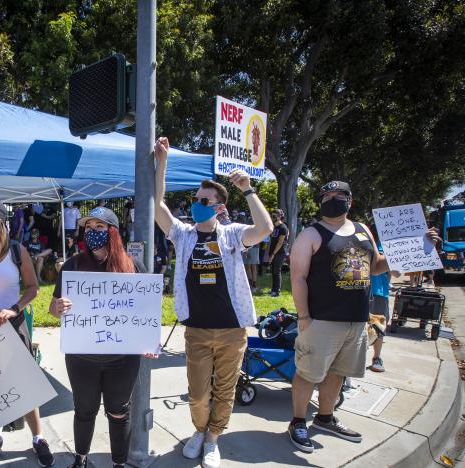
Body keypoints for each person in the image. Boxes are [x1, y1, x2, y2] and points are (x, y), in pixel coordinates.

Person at [286, 181, 438, 453]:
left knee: (338, 373)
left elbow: (377, 265)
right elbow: (297, 278)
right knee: (308, 373)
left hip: (356, 319)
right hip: (321, 319)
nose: (334, 199)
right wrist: (304, 317)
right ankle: (297, 422)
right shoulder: (311, 234)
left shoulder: (363, 230)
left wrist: (418, 246)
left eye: (340, 195)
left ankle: (325, 417)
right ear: (320, 202)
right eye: (328, 196)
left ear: (350, 200)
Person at [153, 136, 273, 468]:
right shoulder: (183, 234)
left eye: (204, 199)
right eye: (195, 198)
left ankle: (213, 438)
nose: (197, 203)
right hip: (197, 330)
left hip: (232, 330)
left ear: (219, 206)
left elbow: (265, 227)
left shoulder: (233, 234)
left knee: (225, 389)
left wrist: (248, 189)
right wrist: (162, 162)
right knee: (196, 393)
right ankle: (198, 430)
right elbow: (156, 205)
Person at [49, 207, 151, 468]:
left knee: (118, 412)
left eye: (100, 227)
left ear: (113, 232)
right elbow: (53, 307)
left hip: (122, 360)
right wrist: (57, 308)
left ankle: (118, 463)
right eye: (89, 227)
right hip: (82, 357)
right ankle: (80, 459)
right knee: (84, 411)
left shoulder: (132, 266)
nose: (92, 232)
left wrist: (148, 340)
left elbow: (144, 311)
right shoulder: (73, 266)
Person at [0, 198, 55, 467]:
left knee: (23, 385)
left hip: (9, 330)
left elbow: (32, 288)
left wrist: (14, 309)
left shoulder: (17, 252)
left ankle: (38, 438)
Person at [267, 209, 289, 297]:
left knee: (277, 271)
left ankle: (276, 291)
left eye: (274, 216)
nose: (273, 217)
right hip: (273, 251)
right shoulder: (274, 227)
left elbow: (280, 243)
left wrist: (273, 254)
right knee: (273, 271)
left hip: (279, 252)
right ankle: (273, 289)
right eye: (272, 216)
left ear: (280, 216)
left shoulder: (283, 227)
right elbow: (272, 239)